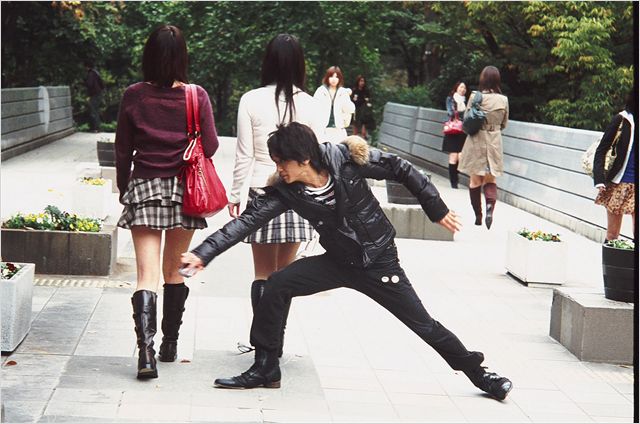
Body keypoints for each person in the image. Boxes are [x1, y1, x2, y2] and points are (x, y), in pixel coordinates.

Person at [180, 122, 513, 401]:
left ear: (304, 158)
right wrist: (203, 253)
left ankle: (480, 374)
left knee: (423, 324)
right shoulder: (286, 190)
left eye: (282, 162)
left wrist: (436, 208)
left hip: (379, 261)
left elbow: (400, 168)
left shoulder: (345, 160)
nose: (278, 169)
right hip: (338, 261)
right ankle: (266, 367)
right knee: (277, 284)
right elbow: (244, 223)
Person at [115, 24, 219, 379]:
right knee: (174, 272)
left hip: (144, 187)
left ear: (149, 56)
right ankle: (170, 344)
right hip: (183, 191)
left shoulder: (134, 95)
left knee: (145, 275)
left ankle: (145, 355)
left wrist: (124, 188)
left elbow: (122, 149)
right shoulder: (196, 95)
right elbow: (211, 146)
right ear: (182, 58)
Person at [228, 34, 324, 357]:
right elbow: (318, 154)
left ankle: (262, 344)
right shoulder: (312, 104)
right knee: (284, 275)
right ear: (300, 64)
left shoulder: (250, 100)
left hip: (261, 192)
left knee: (262, 273)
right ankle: (275, 343)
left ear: (267, 61)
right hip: (299, 195)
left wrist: (235, 194)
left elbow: (243, 154)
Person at [458, 66, 509, 229]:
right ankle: (489, 208)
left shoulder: (475, 97)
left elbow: (467, 119)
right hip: (494, 142)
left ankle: (478, 216)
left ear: (483, 79)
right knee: (490, 179)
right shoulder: (503, 100)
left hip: (476, 141)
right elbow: (504, 124)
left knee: (475, 180)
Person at [594, 88, 637, 241]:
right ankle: (610, 257)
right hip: (619, 182)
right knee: (612, 234)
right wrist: (599, 179)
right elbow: (601, 150)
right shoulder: (622, 119)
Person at [314, 66, 355, 144]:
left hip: (338, 129)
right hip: (323, 130)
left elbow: (349, 109)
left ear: (339, 79)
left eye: (336, 77)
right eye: (331, 76)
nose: (334, 79)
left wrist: (344, 122)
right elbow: (315, 109)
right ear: (327, 77)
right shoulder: (321, 91)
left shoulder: (343, 92)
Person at [441, 81, 467, 188]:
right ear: (456, 88)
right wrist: (457, 110)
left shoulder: (467, 100)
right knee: (453, 157)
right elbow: (450, 113)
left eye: (464, 88)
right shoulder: (450, 99)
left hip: (463, 131)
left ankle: (455, 175)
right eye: (461, 87)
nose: (463, 89)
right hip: (453, 130)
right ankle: (454, 182)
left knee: (461, 156)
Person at [84, 60, 105, 132]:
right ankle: (97, 127)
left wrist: (84, 83)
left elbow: (90, 84)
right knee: (96, 110)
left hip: (94, 94)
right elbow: (102, 84)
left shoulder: (91, 74)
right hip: (99, 93)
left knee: (93, 111)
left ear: (87, 66)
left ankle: (95, 128)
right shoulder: (96, 72)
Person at [351, 75, 373, 140]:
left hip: (363, 109)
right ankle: (354, 137)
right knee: (355, 123)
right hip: (356, 108)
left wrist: (368, 102)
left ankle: (363, 136)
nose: (362, 83)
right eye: (361, 81)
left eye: (363, 81)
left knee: (364, 120)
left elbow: (368, 100)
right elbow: (353, 99)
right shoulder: (355, 90)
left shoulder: (366, 91)